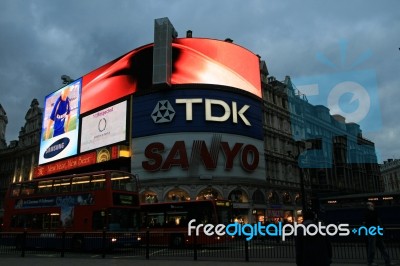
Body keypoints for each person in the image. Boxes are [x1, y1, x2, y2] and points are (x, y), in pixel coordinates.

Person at [364, 201, 395, 266]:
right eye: (369, 205)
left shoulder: (374, 211)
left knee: (382, 246)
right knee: (372, 247)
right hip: (372, 230)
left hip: (376, 230)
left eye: (371, 205)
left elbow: (376, 219)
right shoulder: (367, 213)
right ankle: (370, 262)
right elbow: (371, 220)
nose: (371, 206)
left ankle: (387, 261)